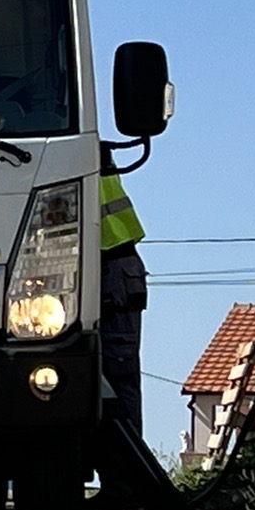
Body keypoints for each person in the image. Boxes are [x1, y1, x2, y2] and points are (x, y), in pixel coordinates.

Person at [99, 152, 148, 441]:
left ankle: (128, 463)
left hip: (112, 270)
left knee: (119, 375)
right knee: (117, 375)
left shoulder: (80, 151)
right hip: (114, 269)